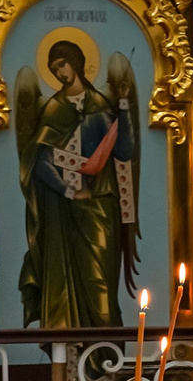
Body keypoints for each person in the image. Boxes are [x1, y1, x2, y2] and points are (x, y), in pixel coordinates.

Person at [11, 38, 139, 327]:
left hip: (102, 206)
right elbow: (39, 162)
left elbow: (125, 152)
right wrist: (68, 190)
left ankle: (107, 358)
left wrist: (123, 105)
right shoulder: (53, 109)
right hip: (64, 214)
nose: (59, 72)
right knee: (68, 283)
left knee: (101, 281)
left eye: (62, 64)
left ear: (77, 62)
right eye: (53, 68)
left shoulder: (102, 104)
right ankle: (75, 354)